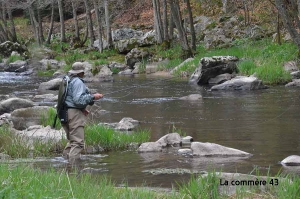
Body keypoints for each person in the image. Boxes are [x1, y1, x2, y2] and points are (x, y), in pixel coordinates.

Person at [62, 62, 103, 163]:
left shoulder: (68, 80)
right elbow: (78, 100)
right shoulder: (78, 82)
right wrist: (93, 97)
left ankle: (65, 164)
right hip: (73, 115)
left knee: (72, 142)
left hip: (64, 113)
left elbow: (69, 99)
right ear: (81, 72)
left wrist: (82, 109)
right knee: (78, 143)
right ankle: (73, 168)